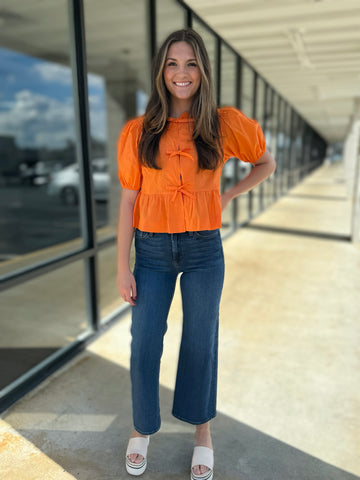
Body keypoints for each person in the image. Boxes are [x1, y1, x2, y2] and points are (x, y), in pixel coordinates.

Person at [116, 28, 276, 479]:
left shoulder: (223, 123)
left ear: (202, 70)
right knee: (144, 343)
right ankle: (142, 427)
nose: (181, 73)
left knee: (201, 343)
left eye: (189, 64)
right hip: (150, 250)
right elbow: (128, 201)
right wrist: (120, 267)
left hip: (205, 248)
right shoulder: (138, 130)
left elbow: (266, 162)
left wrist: (227, 197)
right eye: (172, 64)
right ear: (160, 71)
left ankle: (202, 434)